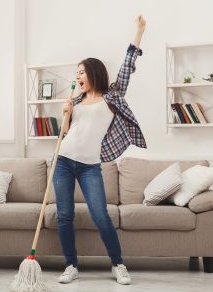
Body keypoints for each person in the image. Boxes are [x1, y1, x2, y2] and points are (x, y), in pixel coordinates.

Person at [53, 15, 147, 285]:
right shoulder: (75, 101)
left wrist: (139, 31)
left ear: (93, 73)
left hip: (89, 166)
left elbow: (128, 66)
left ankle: (118, 264)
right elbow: (66, 135)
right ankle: (71, 265)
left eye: (81, 72)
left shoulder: (112, 97)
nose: (77, 76)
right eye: (76, 73)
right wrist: (66, 113)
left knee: (100, 215)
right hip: (62, 161)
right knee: (64, 215)